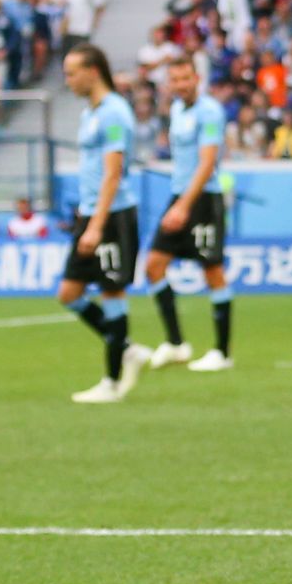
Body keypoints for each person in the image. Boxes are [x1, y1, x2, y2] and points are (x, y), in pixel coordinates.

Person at [57, 44, 151, 403]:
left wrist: (96, 225)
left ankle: (112, 382)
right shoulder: (90, 113)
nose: (68, 81)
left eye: (72, 73)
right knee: (69, 293)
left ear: (93, 71)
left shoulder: (114, 113)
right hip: (91, 212)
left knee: (112, 291)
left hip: (111, 216)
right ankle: (127, 348)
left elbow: (113, 174)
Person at [144, 58, 236, 373]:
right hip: (179, 194)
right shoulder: (177, 111)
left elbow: (208, 161)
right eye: (175, 80)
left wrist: (183, 205)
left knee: (212, 271)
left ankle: (222, 352)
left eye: (186, 78)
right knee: (154, 266)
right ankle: (176, 343)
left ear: (196, 78)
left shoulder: (209, 111)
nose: (181, 84)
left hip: (203, 198)